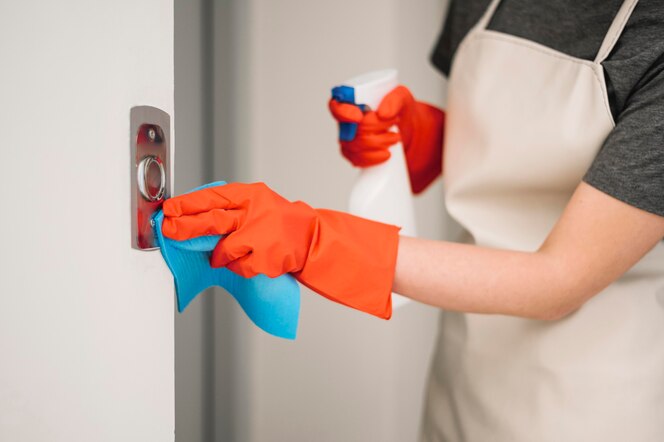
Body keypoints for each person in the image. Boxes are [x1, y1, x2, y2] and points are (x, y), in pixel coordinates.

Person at [162, 0, 664, 439]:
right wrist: (421, 138)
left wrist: (318, 241)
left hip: (593, 399)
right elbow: (527, 149)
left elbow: (559, 280)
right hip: (467, 369)